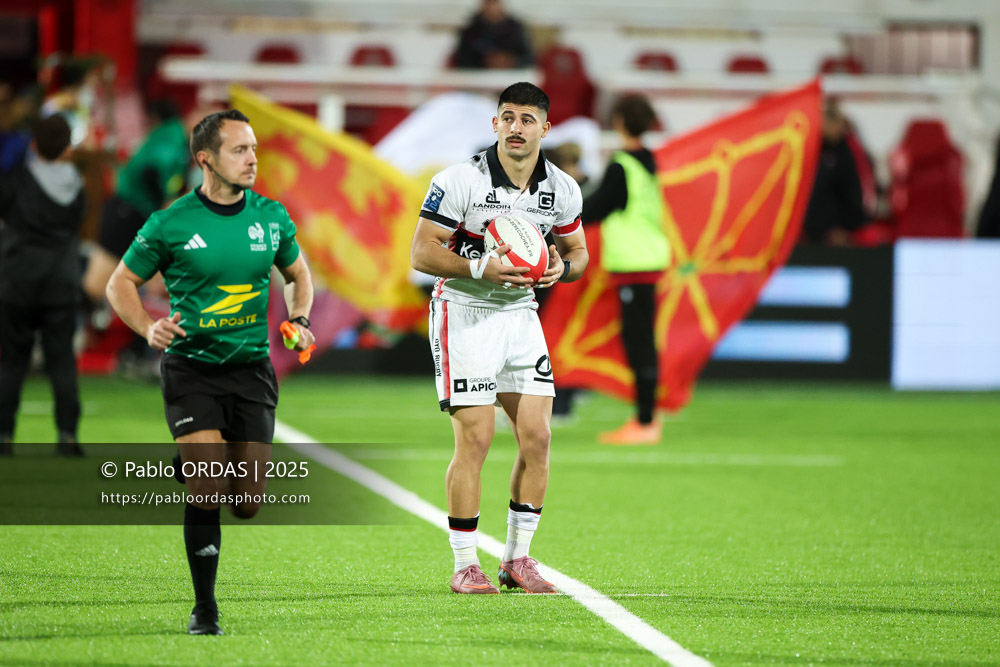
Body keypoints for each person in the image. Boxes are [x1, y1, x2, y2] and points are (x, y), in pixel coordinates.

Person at [105, 109, 315, 634]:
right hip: (191, 370)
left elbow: (298, 275)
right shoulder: (170, 223)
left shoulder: (271, 216)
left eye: (254, 149)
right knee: (206, 488)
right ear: (206, 159)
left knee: (246, 503)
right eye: (240, 150)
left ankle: (191, 458)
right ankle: (205, 608)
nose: (252, 160)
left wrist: (299, 317)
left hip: (251, 371)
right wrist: (146, 327)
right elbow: (119, 285)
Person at [410, 82, 588, 594]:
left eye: (527, 119)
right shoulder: (459, 180)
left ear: (544, 128)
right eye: (507, 117)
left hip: (520, 317)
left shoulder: (563, 188)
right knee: (478, 438)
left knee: (538, 438)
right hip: (462, 311)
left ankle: (518, 559)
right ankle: (466, 563)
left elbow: (578, 252)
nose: (516, 127)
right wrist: (482, 267)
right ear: (495, 125)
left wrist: (562, 267)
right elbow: (422, 252)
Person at [581, 94, 670, 445]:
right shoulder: (650, 160)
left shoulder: (623, 164)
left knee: (639, 344)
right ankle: (647, 417)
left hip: (635, 263)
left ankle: (646, 421)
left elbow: (600, 206)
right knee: (641, 341)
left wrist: (558, 216)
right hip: (647, 259)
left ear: (619, 121)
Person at [0, 114, 86, 456]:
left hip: (18, 280)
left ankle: (4, 435)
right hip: (61, 283)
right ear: (68, 148)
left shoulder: (15, 181)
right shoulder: (78, 185)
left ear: (34, 145)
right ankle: (67, 436)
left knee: (12, 361)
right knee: (62, 361)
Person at [83, 99, 189, 371]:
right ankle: (134, 346)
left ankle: (137, 348)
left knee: (145, 282)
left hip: (127, 211)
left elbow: (159, 173)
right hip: (130, 213)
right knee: (105, 284)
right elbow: (154, 171)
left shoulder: (168, 136)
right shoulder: (174, 135)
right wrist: (161, 207)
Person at [800, 99, 869, 245]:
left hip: (835, 233)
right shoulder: (809, 150)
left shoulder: (847, 152)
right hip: (807, 231)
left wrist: (846, 228)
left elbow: (854, 194)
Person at [454, 0, 533, 70]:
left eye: (495, 2)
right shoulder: (470, 30)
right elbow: (461, 60)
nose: (492, 7)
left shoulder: (517, 29)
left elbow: (529, 58)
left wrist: (511, 61)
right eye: (488, 2)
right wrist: (485, 62)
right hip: (478, 78)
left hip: (511, 77)